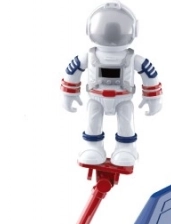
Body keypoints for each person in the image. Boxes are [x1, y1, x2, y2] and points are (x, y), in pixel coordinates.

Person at [61, 2, 162, 166]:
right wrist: (69, 94)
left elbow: (149, 75)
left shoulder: (132, 58)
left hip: (123, 99)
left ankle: (126, 148)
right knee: (93, 120)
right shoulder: (89, 56)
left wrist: (153, 98)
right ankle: (92, 146)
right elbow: (72, 72)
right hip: (97, 98)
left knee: (125, 122)